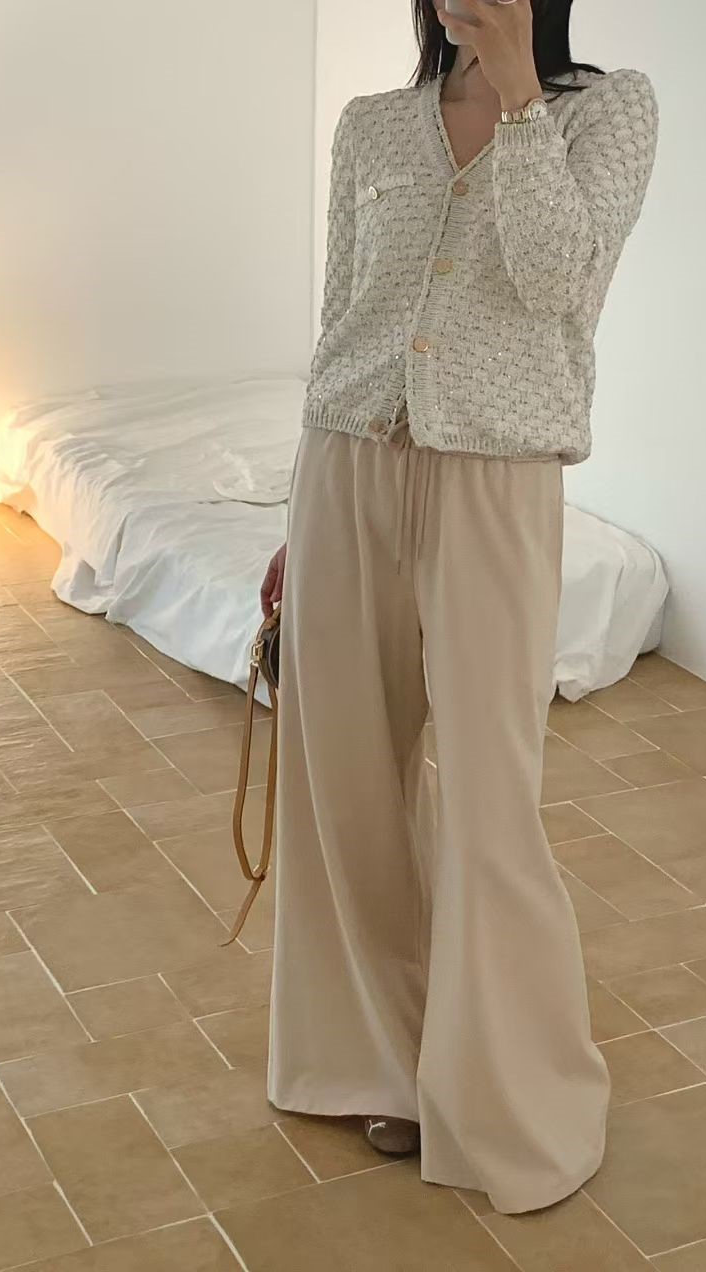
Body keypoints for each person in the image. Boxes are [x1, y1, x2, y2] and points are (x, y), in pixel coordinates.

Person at [259, 0, 658, 1215]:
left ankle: (509, 1092)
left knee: (493, 798)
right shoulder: (370, 127)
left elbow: (562, 284)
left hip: (496, 477)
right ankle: (377, 1058)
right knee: (346, 786)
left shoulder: (607, 112)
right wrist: (296, 526)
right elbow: (341, 321)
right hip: (348, 465)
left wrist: (520, 93)